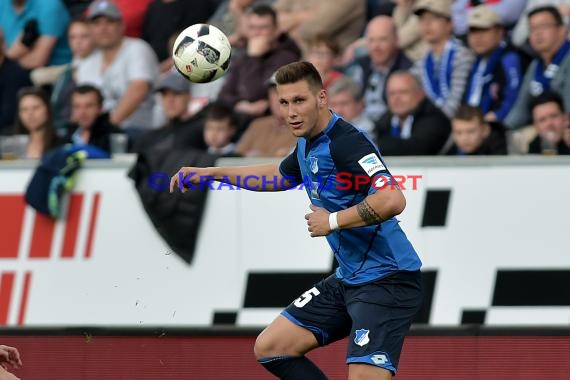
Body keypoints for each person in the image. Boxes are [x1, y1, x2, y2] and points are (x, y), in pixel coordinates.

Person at [170, 61, 423, 380]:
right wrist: (213, 173)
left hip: (388, 280)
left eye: (299, 101)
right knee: (272, 346)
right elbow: (279, 175)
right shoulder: (307, 141)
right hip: (349, 278)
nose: (290, 112)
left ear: (322, 98)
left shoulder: (347, 143)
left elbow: (393, 199)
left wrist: (331, 221)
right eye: (284, 102)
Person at [374, 70, 451, 155]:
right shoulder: (383, 121)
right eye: (392, 93)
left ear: (420, 93)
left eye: (403, 92)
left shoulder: (435, 119)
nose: (396, 98)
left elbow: (419, 149)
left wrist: (377, 145)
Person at [527, 90, 570, 154]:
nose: (549, 124)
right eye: (542, 120)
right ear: (535, 126)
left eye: (554, 116)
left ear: (565, 118)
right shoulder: (534, 147)